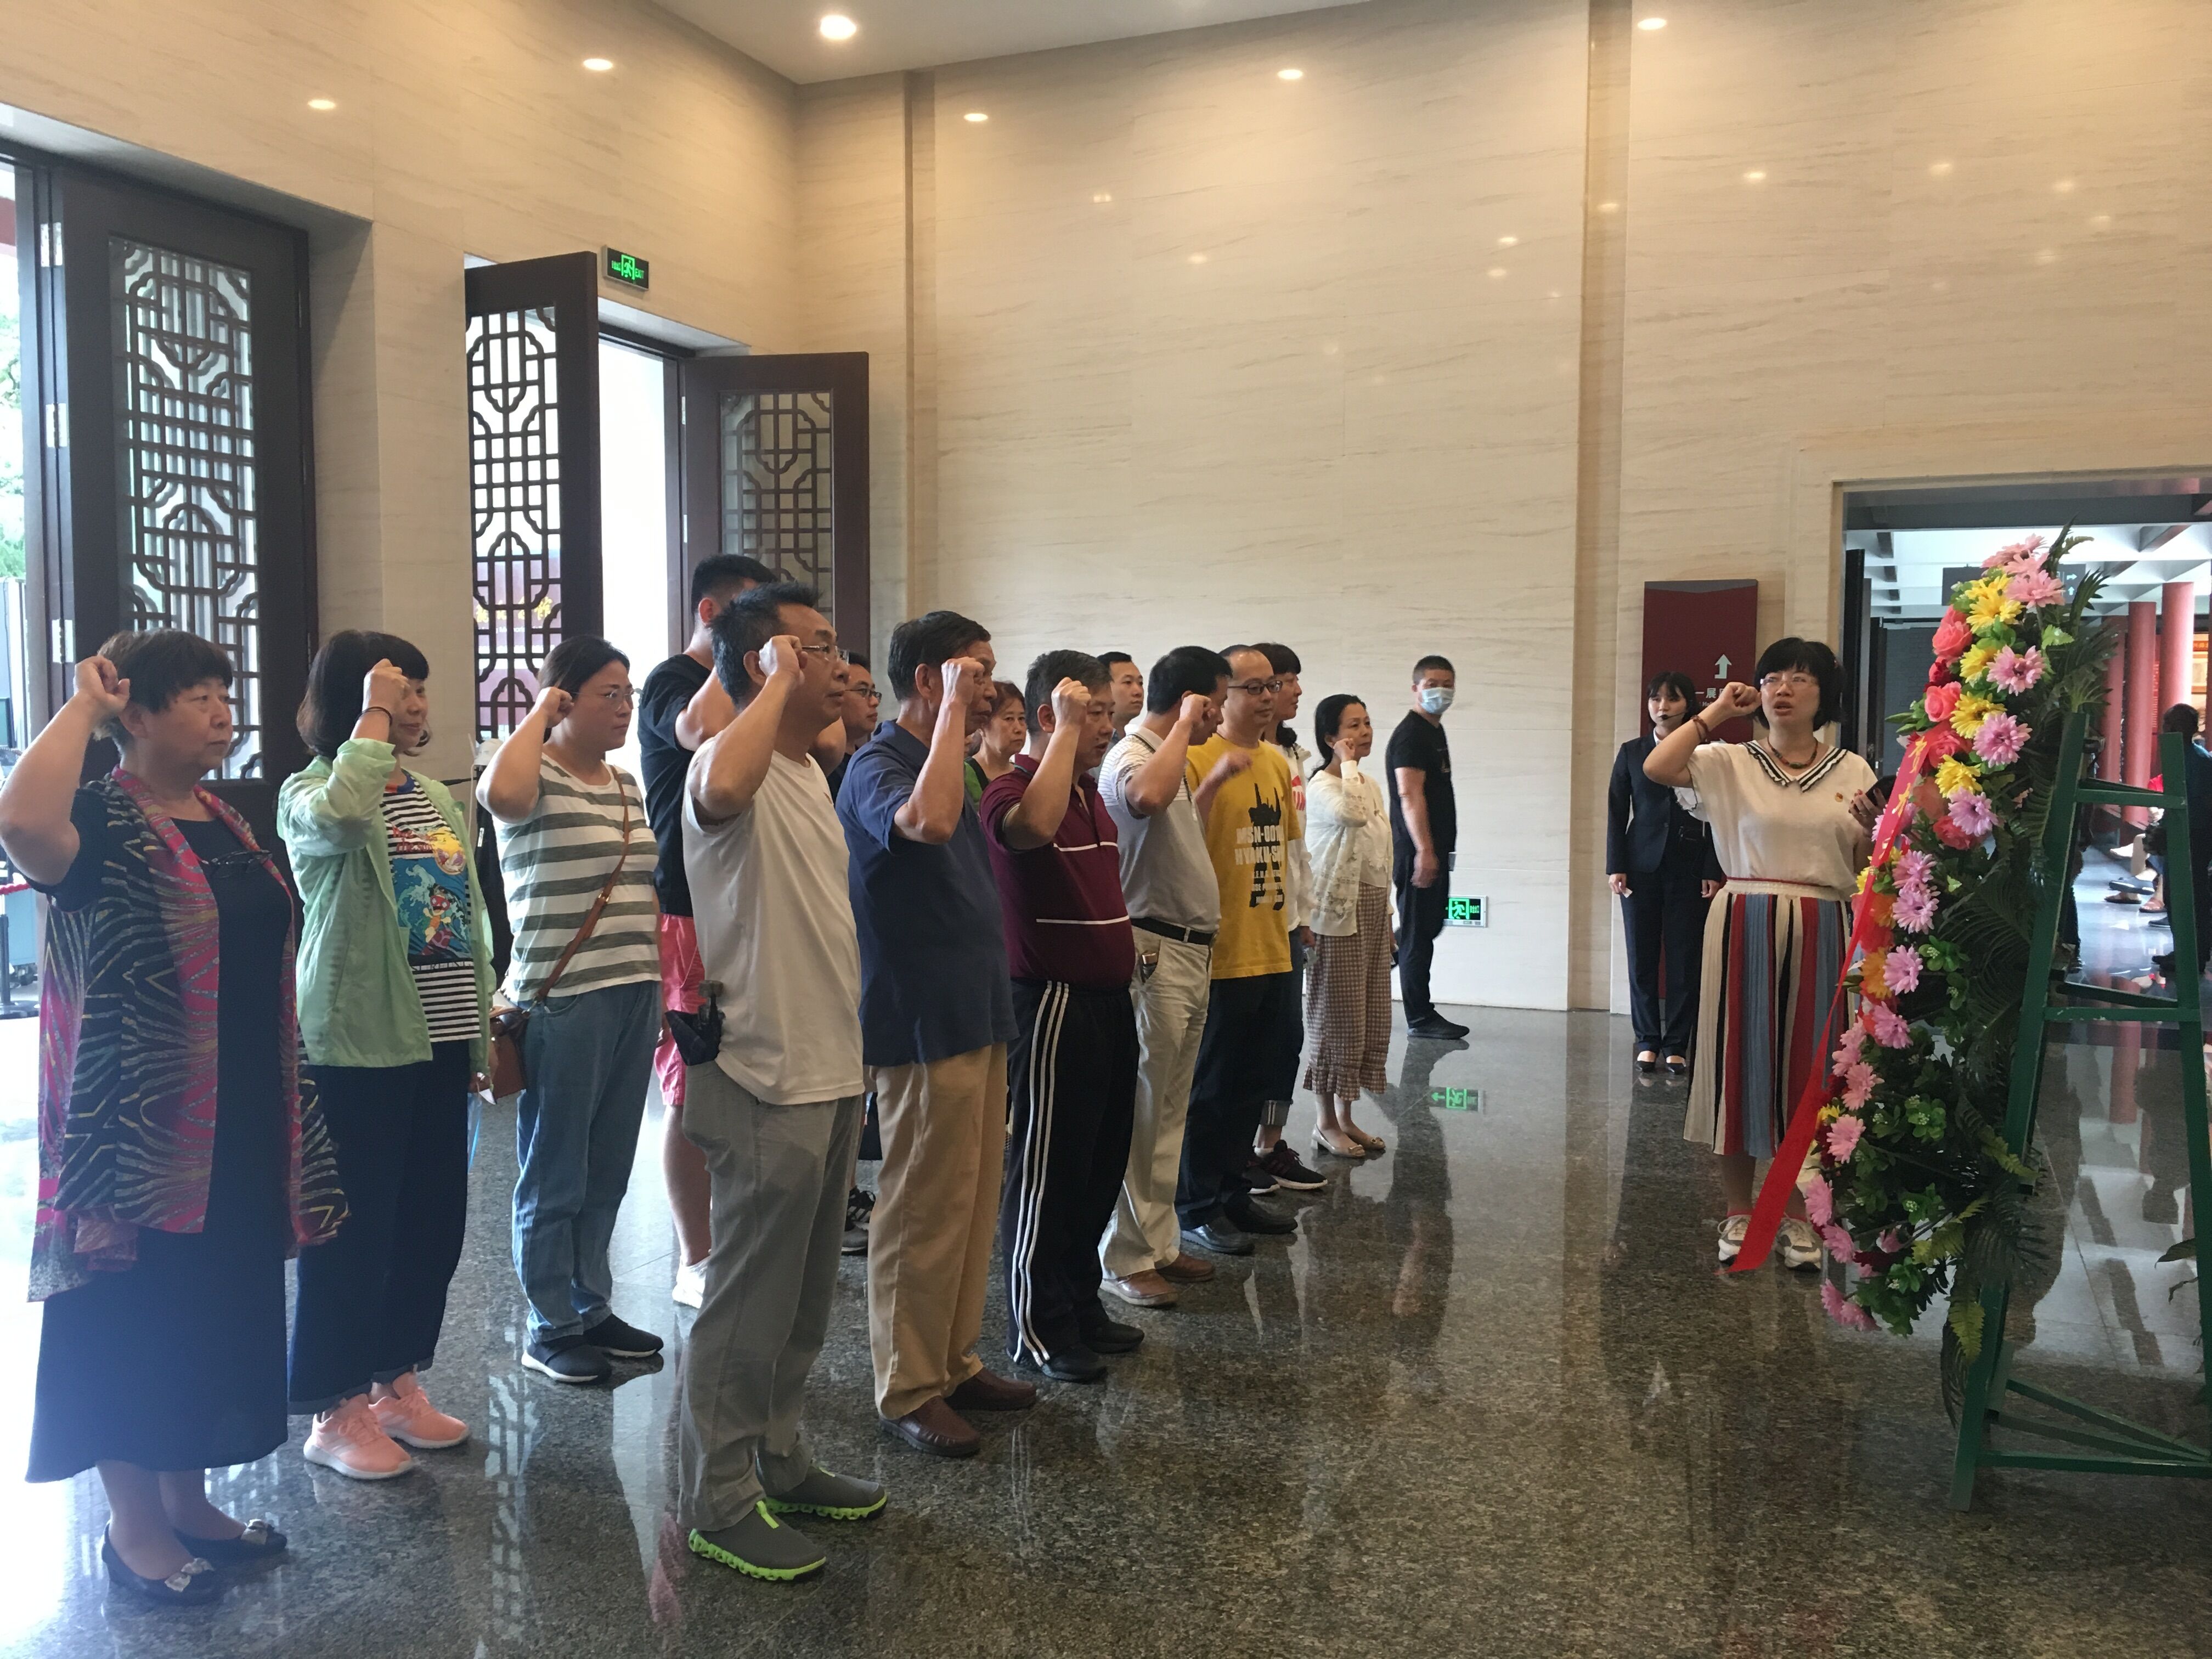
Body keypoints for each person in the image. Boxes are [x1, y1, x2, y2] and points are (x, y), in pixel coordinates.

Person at [0, 633, 344, 1609]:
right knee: (136, 1322)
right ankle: (134, 1528)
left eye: (224, 693)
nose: (223, 711)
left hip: (236, 1122)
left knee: (210, 1314)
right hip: (135, 1139)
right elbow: (18, 821)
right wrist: (83, 707)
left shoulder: (224, 818)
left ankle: (188, 1503)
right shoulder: (100, 817)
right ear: (138, 714)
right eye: (197, 695)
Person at [679, 581, 884, 1581]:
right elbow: (717, 779)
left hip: (829, 1066)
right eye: (817, 647)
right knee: (748, 1301)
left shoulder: (806, 767)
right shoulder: (731, 761)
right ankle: (718, 1500)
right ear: (767, 662)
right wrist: (766, 681)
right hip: (763, 1072)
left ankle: (784, 1456)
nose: (840, 663)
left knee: (802, 1299)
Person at [282, 631, 495, 1480]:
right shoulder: (313, 790)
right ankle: (334, 1409)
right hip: (358, 1043)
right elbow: (339, 819)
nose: (413, 704)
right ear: (357, 700)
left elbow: (462, 913)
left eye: (416, 689)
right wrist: (368, 721)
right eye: (395, 689)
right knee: (354, 1232)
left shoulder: (432, 794)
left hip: (437, 1036)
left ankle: (393, 1383)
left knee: (429, 1223)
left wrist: (477, 1029)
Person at [838, 610, 1034, 1458]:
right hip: (919, 1016)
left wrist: (958, 727)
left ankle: (953, 1361)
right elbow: (924, 825)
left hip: (975, 1006)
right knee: (921, 1208)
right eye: (973, 670)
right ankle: (909, 1386)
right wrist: (955, 711)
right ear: (927, 679)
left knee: (971, 1198)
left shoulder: (951, 761)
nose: (988, 685)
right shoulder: (878, 764)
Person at [1644, 639, 1877, 1269]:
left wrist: (1870, 831)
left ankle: (1797, 1215)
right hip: (1744, 915)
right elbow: (1658, 767)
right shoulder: (1729, 760)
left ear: (1825, 694)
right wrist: (1717, 711)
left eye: (1800, 678)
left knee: (1811, 1071)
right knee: (1738, 1062)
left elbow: (1860, 865)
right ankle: (1738, 1211)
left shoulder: (1853, 769)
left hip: (1823, 918)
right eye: (1772, 677)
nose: (1783, 689)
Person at [480, 637, 666, 1383]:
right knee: (555, 1169)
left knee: (608, 1167)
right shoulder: (532, 774)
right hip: (566, 997)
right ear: (564, 699)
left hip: (634, 989)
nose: (624, 708)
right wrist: (539, 714)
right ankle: (549, 1323)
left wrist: (662, 983)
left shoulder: (625, 783)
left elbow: (644, 886)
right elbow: (499, 797)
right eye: (608, 695)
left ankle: (593, 1304)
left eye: (629, 694)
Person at [980, 651, 1143, 1382]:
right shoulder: (1012, 789)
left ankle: (1080, 1302)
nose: (1107, 727)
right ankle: (1038, 1326)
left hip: (1108, 1004)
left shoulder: (1088, 794)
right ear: (1049, 716)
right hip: (1053, 1004)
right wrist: (1065, 733)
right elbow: (1030, 832)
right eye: (1093, 713)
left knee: (1100, 1164)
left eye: (1107, 713)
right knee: (1050, 1171)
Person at [637, 554, 775, 1310]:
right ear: (711, 614)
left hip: (743, 899)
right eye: (750, 615)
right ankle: (694, 1256)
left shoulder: (753, 688)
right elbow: (702, 732)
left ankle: (736, 1239)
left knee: (739, 1079)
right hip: (687, 905)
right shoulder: (674, 680)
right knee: (689, 1087)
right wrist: (741, 662)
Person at [1097, 646, 1234, 1308]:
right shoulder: (1132, 754)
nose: (1220, 718)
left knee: (1171, 1109)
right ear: (1191, 701)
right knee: (1145, 1111)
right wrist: (1183, 724)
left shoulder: (1170, 755)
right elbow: (1145, 799)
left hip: (1188, 951)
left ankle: (1158, 1242)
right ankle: (1123, 1258)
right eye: (1216, 704)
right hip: (1153, 951)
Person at [1175, 646, 1304, 1255]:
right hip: (1221, 951)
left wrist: (1297, 926)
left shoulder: (1275, 762)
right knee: (1212, 1088)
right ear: (1220, 696)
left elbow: (1287, 851)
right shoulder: (1194, 758)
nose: (1266, 697)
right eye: (1252, 687)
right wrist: (1215, 783)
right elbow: (1176, 846)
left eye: (1271, 686)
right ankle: (1196, 1205)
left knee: (1254, 1082)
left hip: (1272, 944)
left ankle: (1233, 1193)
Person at [1607, 671, 1725, 1077]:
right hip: (1640, 867)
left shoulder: (1707, 753)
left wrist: (1712, 867)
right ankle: (1646, 1041)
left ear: (1688, 705)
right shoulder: (1632, 751)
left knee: (1684, 958)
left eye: (1672, 699)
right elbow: (1616, 810)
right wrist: (1616, 865)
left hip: (1689, 867)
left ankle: (1676, 1043)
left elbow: (1720, 814)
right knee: (1641, 957)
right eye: (1655, 699)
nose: (1662, 707)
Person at [1301, 694, 1396, 1160]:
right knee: (1336, 1016)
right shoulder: (1322, 785)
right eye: (1353, 726)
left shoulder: (1369, 784)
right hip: (1335, 915)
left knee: (1367, 1016)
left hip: (1373, 911)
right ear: (1329, 738)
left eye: (1368, 723)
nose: (1364, 732)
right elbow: (1351, 815)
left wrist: (1389, 916)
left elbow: (1381, 855)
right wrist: (1348, 765)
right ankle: (1324, 1123)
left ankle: (1346, 1117)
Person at [1248, 641, 1324, 1192]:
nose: (1294, 690)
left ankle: (1269, 1143)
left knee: (1285, 1038)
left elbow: (1298, 847)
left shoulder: (1293, 755)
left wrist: (1304, 912)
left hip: (1288, 915)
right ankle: (1235, 1150)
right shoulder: (1233, 754)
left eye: (1293, 680)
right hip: (1246, 919)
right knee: (1243, 1042)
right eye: (1283, 681)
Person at [1390, 654, 1465, 1040]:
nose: (1441, 691)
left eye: (1448, 684)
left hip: (1436, 849)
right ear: (1415, 688)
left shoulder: (1433, 730)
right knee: (1419, 934)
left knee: (1428, 925)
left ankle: (1388, 951)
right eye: (1433, 684)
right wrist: (1424, 851)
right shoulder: (1412, 735)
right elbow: (1409, 794)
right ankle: (1420, 1017)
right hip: (1417, 851)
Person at [2149, 703, 2212, 978]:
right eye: (2168, 725)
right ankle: (2182, 950)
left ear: (2191, 729)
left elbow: (2200, 806)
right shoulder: (2179, 757)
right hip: (2178, 835)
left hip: (2194, 838)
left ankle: (2195, 955)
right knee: (2175, 897)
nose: (2170, 730)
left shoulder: (2200, 761)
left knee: (2192, 898)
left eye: (2176, 725)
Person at [821, 652, 879, 801]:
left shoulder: (867, 760)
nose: (874, 702)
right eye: (863, 691)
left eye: (873, 693)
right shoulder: (822, 762)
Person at [968, 679, 1027, 799]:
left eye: (1022, 718)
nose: (1019, 729)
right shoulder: (965, 774)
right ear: (982, 725)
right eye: (1009, 719)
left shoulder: (1024, 776)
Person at [1099, 650, 1145, 741]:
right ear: (1103, 686)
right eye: (1128, 682)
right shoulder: (1090, 743)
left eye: (1140, 683)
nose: (1138, 691)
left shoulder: (1134, 741)